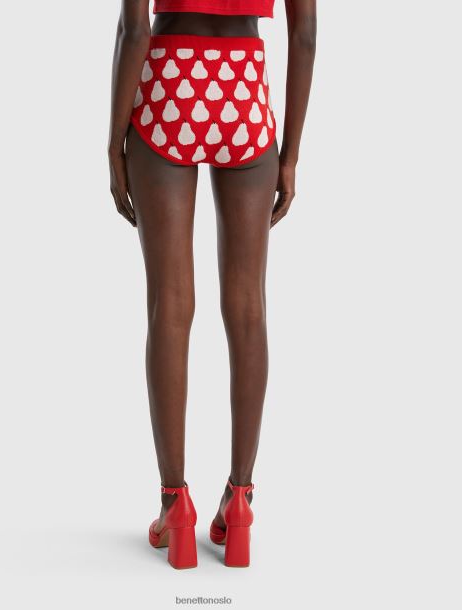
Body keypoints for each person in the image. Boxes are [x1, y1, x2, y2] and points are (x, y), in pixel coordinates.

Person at [108, 0, 316, 568]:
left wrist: (113, 142)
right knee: (248, 307)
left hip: (168, 82)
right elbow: (304, 35)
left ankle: (174, 505)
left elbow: (133, 28)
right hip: (243, 87)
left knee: (170, 304)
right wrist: (290, 155)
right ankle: (240, 499)